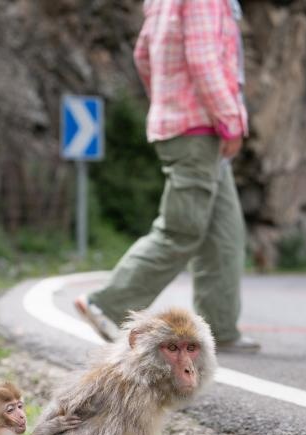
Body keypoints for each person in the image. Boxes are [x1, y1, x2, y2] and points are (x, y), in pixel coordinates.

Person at [75, 0, 260, 353]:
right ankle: (107, 304)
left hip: (189, 126)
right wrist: (230, 120)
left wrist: (166, 99)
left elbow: (144, 54)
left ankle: (219, 328)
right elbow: (205, 61)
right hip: (198, 128)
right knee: (181, 229)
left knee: (225, 233)